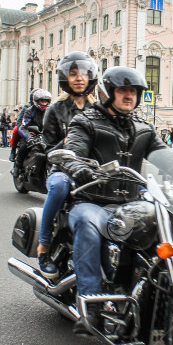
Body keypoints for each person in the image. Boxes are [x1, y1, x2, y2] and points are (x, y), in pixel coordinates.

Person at [59, 66, 167, 334]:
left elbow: (166, 156)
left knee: (169, 225)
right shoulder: (85, 121)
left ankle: (141, 290)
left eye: (134, 91)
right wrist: (79, 166)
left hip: (131, 204)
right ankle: (92, 305)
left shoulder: (144, 128)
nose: (129, 95)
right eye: (123, 90)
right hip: (91, 200)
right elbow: (72, 150)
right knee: (87, 224)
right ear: (109, 93)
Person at [34, 52, 98, 279]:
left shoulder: (98, 110)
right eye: (73, 74)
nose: (79, 78)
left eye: (83, 74)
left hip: (92, 170)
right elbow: (49, 150)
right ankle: (44, 246)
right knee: (60, 186)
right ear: (65, 78)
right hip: (61, 170)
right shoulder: (55, 110)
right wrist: (67, 142)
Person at [12, 89, 52, 178]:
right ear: (36, 101)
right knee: (24, 146)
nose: (44, 103)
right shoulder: (30, 110)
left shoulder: (50, 110)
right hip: (32, 134)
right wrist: (29, 138)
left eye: (46, 101)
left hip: (45, 136)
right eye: (42, 101)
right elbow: (23, 126)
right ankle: (17, 166)